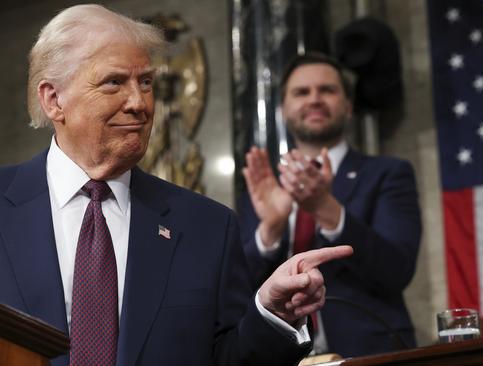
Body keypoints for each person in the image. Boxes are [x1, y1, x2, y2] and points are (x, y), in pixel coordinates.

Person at [0, 5, 352, 366]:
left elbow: (229, 359)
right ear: (53, 99)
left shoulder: (207, 227)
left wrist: (272, 314)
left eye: (146, 82)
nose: (139, 103)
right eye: (114, 82)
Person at [239, 52, 421, 357]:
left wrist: (326, 208)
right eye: (301, 92)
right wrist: (269, 230)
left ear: (348, 107)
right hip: (279, 356)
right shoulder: (265, 184)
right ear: (283, 110)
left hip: (369, 354)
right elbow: (238, 288)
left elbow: (397, 270)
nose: (314, 99)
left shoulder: (388, 173)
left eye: (327, 90)